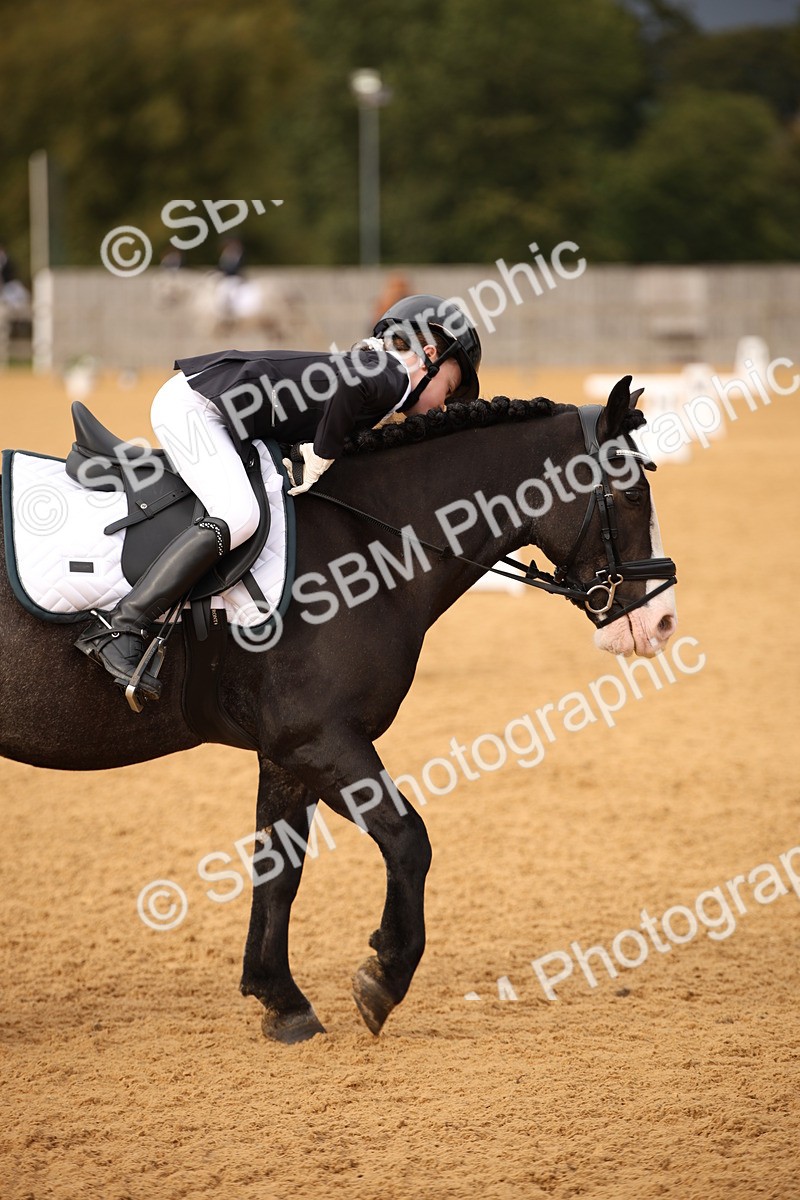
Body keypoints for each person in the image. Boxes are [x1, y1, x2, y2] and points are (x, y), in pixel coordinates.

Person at [75, 295, 482, 704]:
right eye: (449, 388)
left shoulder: (380, 373)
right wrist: (320, 457)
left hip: (214, 407)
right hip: (198, 408)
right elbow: (348, 392)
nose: (444, 405)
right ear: (428, 356)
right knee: (238, 515)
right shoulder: (394, 375)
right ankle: (122, 624)